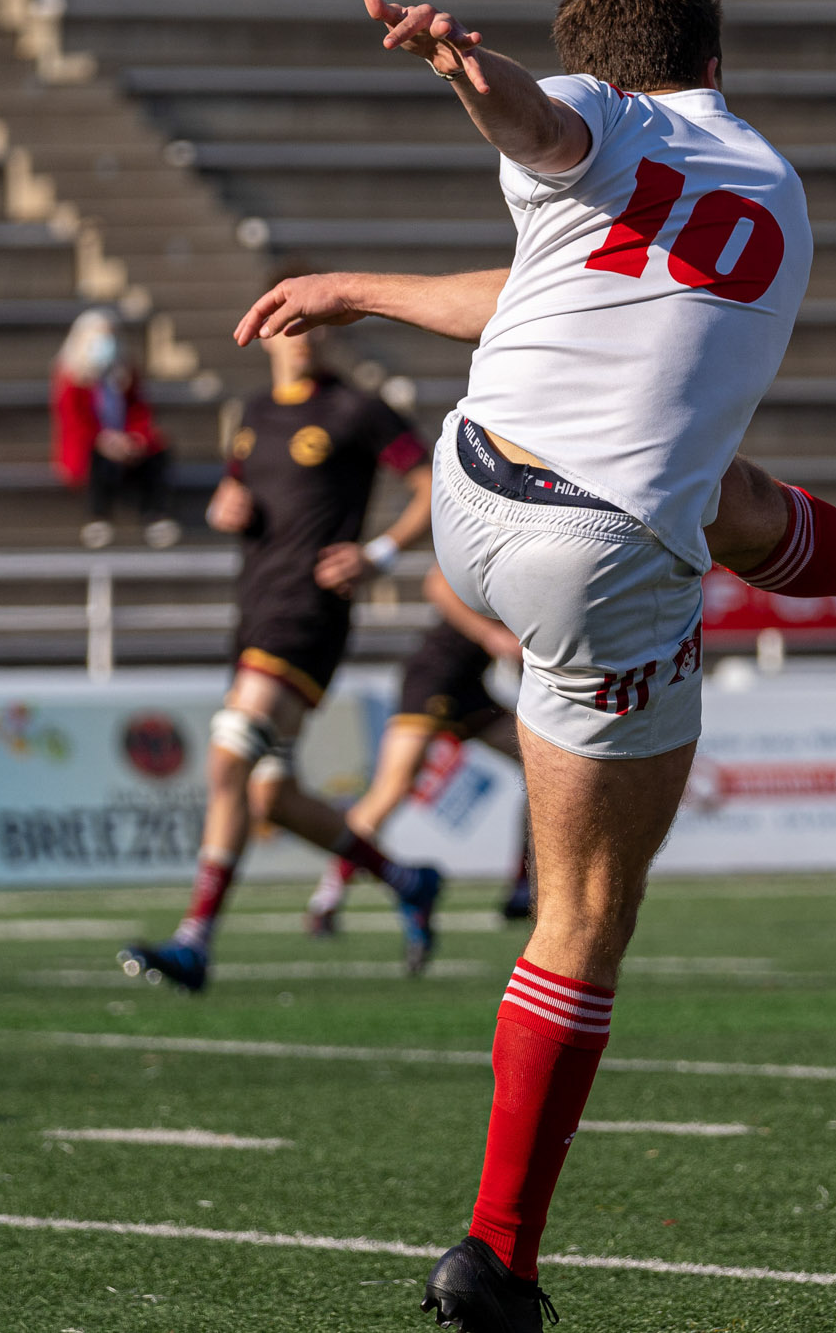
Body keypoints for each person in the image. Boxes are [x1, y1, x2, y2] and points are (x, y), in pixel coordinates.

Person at [234, 0, 836, 1330]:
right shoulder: (773, 186)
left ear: (610, 65)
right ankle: (496, 1254)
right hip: (598, 560)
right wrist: (467, 71)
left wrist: (358, 271)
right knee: (583, 916)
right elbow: (539, 121)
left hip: (468, 491)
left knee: (729, 496)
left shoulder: (605, 139)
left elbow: (545, 150)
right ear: (712, 57)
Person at [119, 314, 443, 992]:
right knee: (272, 798)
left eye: (311, 323)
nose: (300, 336)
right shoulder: (256, 413)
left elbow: (433, 485)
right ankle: (407, 881)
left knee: (229, 752)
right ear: (264, 335)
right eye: (287, 324)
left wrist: (379, 554)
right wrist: (225, 507)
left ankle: (195, 941)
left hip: (309, 614)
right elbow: (240, 493)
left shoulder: (354, 409)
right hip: (255, 610)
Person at [302, 565, 536, 935]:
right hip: (433, 678)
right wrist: (491, 636)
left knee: (543, 767)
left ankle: (523, 888)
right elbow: (437, 583)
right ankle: (327, 898)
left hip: (470, 691)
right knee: (391, 789)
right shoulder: (500, 552)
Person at [50, 306, 178, 550]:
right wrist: (105, 441)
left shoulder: (125, 374)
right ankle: (98, 516)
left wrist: (135, 440)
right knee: (98, 460)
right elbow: (75, 422)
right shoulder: (70, 378)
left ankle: (155, 514)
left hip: (124, 445)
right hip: (93, 449)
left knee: (158, 451)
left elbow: (140, 412)